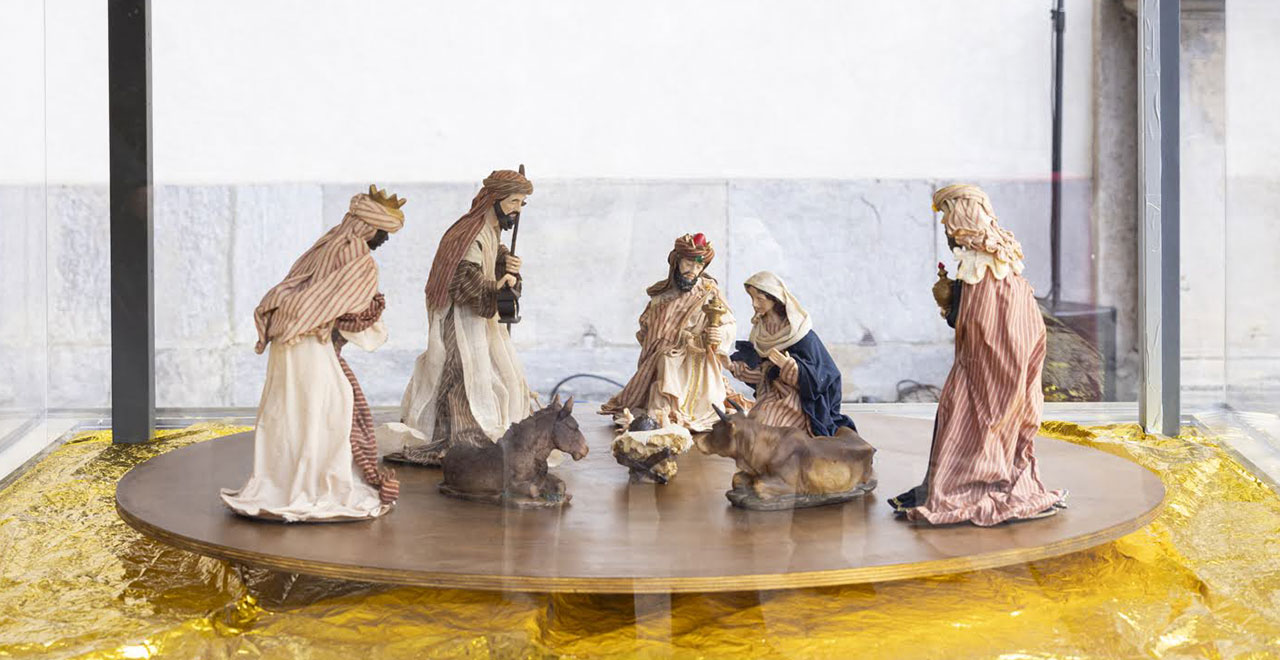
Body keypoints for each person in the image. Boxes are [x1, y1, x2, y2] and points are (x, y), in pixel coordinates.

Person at [221, 186, 404, 522]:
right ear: (370, 227)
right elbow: (349, 314)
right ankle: (312, 485)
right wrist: (374, 311)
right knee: (325, 411)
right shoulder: (360, 262)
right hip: (308, 344)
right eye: (383, 232)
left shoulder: (325, 245)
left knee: (291, 411)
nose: (384, 240)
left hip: (286, 340)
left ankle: (285, 480)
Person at [889, 184, 1065, 526]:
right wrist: (951, 303)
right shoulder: (981, 263)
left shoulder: (990, 268)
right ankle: (950, 483)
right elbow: (973, 320)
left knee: (976, 421)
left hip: (993, 371)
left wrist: (954, 309)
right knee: (958, 417)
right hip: (980, 364)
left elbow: (996, 328)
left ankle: (972, 486)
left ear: (963, 217)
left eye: (948, 219)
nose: (945, 227)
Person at [391, 167, 536, 465]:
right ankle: (457, 438)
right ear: (494, 198)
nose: (518, 210)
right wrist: (497, 285)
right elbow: (461, 280)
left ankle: (470, 433)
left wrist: (505, 265)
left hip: (478, 324)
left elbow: (488, 262)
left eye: (522, 203)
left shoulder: (490, 230)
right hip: (458, 320)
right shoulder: (470, 232)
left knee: (487, 374)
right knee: (461, 375)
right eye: (513, 202)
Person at [599, 233, 747, 431]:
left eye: (698, 266)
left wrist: (719, 334)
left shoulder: (709, 292)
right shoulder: (662, 296)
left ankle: (684, 413)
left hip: (700, 354)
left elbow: (728, 322)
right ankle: (666, 412)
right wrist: (661, 336)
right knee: (665, 361)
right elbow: (648, 330)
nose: (693, 271)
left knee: (682, 371)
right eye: (688, 264)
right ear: (677, 262)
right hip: (669, 352)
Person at [728, 271, 857, 438]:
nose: (754, 304)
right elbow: (762, 372)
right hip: (770, 393)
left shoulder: (798, 332)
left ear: (774, 299)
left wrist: (792, 368)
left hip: (797, 399)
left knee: (766, 429)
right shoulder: (760, 330)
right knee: (754, 423)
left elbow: (824, 375)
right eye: (752, 298)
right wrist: (736, 367)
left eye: (760, 299)